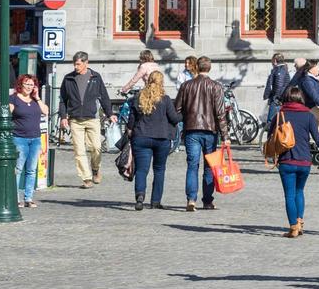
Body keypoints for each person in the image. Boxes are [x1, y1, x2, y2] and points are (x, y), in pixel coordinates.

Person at [272, 84, 319, 238]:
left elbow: (272, 134)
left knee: (289, 195)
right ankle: (300, 221)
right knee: (299, 191)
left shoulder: (280, 115)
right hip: (305, 161)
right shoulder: (309, 115)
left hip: (287, 160)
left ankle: (293, 228)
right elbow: (318, 138)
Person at [175, 55, 228, 211]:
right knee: (209, 166)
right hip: (210, 131)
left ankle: (191, 199)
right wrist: (226, 136)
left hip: (192, 129)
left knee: (192, 165)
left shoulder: (186, 86)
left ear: (197, 67)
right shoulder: (216, 86)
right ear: (209, 68)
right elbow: (220, 113)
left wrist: (187, 113)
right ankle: (207, 200)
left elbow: (177, 108)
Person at [58, 52, 116, 189]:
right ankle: (86, 178)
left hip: (92, 118)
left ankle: (95, 169)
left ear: (86, 63)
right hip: (75, 119)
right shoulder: (68, 78)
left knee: (96, 147)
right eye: (74, 64)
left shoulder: (95, 77)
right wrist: (63, 116)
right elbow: (62, 100)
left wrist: (110, 113)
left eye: (78, 64)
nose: (76, 66)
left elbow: (104, 97)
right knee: (79, 150)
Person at [127, 70, 181, 210]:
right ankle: (155, 201)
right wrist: (184, 114)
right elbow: (174, 119)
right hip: (161, 138)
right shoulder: (165, 99)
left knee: (141, 170)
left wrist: (129, 131)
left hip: (141, 137)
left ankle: (140, 196)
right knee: (159, 170)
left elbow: (131, 120)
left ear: (148, 80)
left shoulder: (139, 97)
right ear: (161, 82)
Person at [9, 73, 46, 208]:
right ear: (20, 85)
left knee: (31, 170)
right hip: (19, 138)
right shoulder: (13, 98)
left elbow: (46, 111)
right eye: (27, 84)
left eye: (32, 84)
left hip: (35, 138)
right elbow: (8, 112)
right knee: (18, 169)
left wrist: (38, 97)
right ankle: (15, 198)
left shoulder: (35, 100)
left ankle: (28, 198)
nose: (29, 87)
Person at [262, 52, 291, 126]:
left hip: (277, 100)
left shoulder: (279, 70)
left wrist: (276, 98)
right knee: (276, 121)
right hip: (278, 99)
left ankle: (272, 136)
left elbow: (279, 85)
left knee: (271, 122)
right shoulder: (281, 69)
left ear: (275, 60)